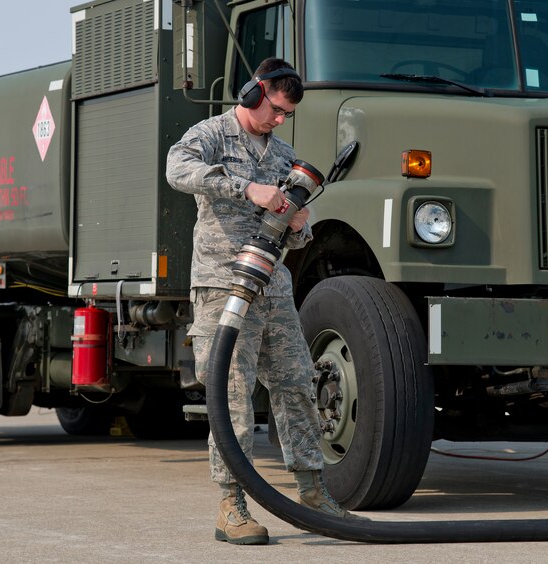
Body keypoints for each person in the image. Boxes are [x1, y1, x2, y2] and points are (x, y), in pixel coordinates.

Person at [165, 57, 364, 545]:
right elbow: (177, 168)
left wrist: (302, 225)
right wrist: (245, 187)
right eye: (275, 109)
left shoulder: (283, 155)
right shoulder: (211, 134)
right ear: (253, 93)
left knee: (297, 382)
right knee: (230, 393)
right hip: (221, 285)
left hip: (272, 288)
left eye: (286, 114)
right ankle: (231, 505)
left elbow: (297, 232)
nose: (279, 119)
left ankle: (314, 492)